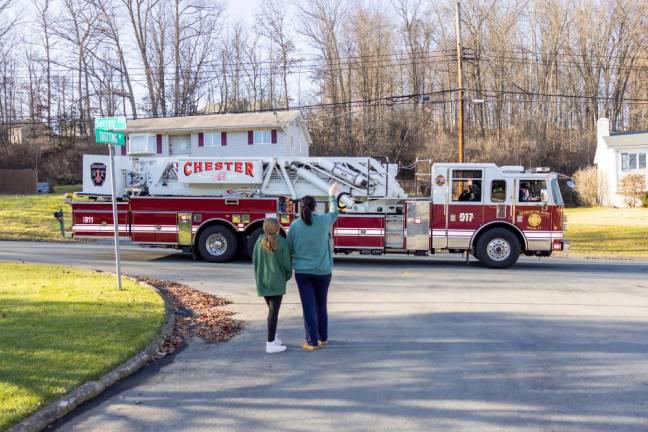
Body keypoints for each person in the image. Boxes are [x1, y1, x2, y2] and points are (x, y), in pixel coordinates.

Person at [287, 183, 340, 351]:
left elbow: (289, 248)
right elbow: (334, 213)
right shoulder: (324, 221)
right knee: (321, 305)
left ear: (300, 207)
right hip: (323, 271)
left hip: (303, 272)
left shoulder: (295, 225)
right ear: (315, 207)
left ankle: (312, 341)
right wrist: (331, 195)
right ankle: (323, 337)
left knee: (308, 306)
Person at [252, 218, 293, 354]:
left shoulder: (258, 241)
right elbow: (287, 265)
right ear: (277, 228)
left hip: (263, 281)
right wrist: (286, 277)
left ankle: (273, 338)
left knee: (271, 311)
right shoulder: (282, 242)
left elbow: (255, 261)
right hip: (277, 282)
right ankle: (270, 344)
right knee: (273, 313)